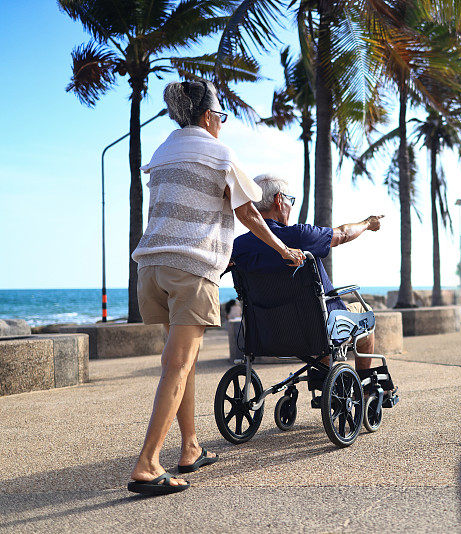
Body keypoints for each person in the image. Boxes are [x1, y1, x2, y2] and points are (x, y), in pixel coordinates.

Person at [128, 80, 305, 496]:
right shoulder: (218, 153)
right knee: (177, 364)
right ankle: (147, 464)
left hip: (150, 268)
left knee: (180, 362)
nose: (222, 125)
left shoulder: (163, 151)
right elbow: (249, 212)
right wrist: (283, 249)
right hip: (190, 268)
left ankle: (190, 447)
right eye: (221, 117)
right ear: (208, 116)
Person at [231, 175, 382, 369]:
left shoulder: (239, 246)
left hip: (268, 333)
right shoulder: (301, 236)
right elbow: (343, 233)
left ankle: (329, 381)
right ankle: (366, 386)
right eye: (290, 200)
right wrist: (368, 223)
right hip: (316, 328)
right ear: (279, 199)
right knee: (364, 312)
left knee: (312, 324)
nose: (291, 206)